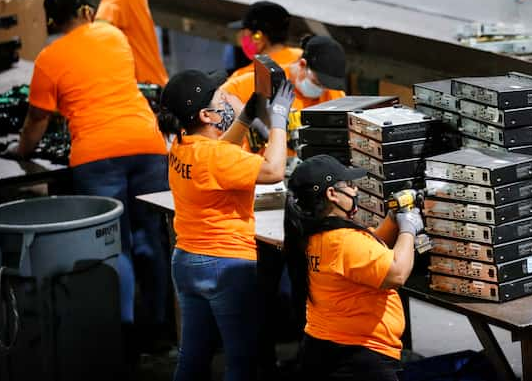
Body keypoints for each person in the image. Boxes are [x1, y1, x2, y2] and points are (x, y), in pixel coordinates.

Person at [1, 0, 169, 348]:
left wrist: (20, 150)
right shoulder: (112, 35)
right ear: (85, 11)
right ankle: (158, 331)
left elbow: (36, 121)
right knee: (149, 239)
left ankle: (121, 335)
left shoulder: (49, 57)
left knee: (115, 244)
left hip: (97, 156)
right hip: (147, 144)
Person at [157, 69, 295, 380]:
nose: (226, 103)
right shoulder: (214, 158)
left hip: (188, 261)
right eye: (221, 100)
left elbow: (222, 153)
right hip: (227, 267)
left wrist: (245, 118)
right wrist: (279, 122)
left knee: (193, 357)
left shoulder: (181, 144)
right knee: (241, 363)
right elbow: (273, 170)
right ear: (206, 115)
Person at [284, 155, 423, 380]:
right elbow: (396, 273)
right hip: (358, 356)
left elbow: (369, 249)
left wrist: (393, 217)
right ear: (331, 194)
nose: (355, 190)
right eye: (349, 185)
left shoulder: (310, 233)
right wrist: (409, 228)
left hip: (323, 346)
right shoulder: (342, 240)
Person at [221, 34, 346, 113]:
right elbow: (220, 97)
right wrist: (249, 118)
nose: (321, 89)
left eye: (325, 86)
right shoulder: (262, 80)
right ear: (302, 65)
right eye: (317, 83)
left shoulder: (334, 94)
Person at [227, 0, 303, 79]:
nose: (241, 41)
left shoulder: (243, 77)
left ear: (257, 36)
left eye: (243, 34)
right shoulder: (303, 59)